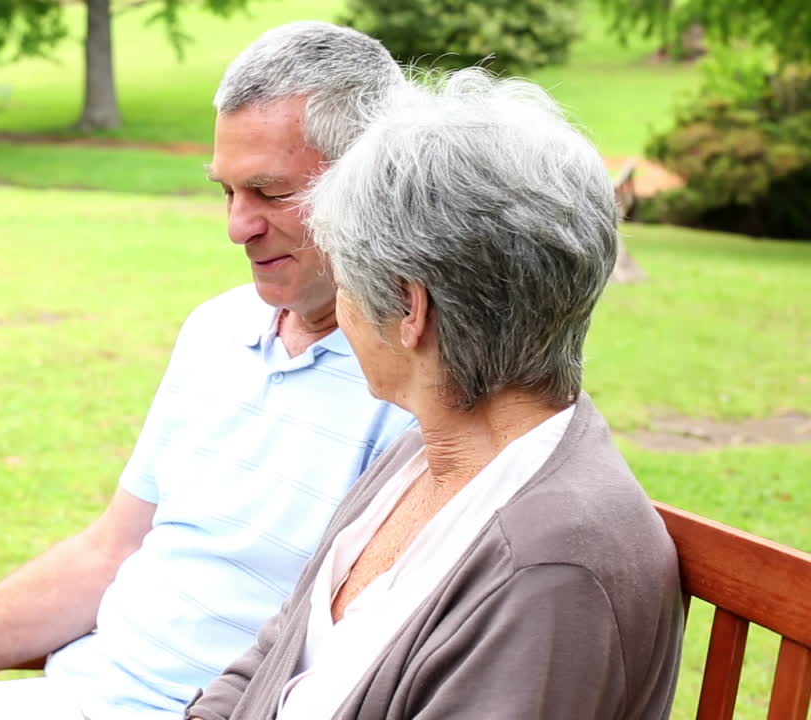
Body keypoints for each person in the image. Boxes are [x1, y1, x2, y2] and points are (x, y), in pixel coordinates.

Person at [0, 22, 416, 720]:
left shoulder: (417, 383)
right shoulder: (217, 329)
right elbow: (111, 551)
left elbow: (364, 664)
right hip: (71, 694)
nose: (238, 226)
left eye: (269, 193)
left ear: (372, 184)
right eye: (226, 192)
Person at [185, 69, 685, 720]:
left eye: (346, 275)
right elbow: (283, 648)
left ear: (410, 309)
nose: (339, 304)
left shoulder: (550, 574)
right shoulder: (428, 450)